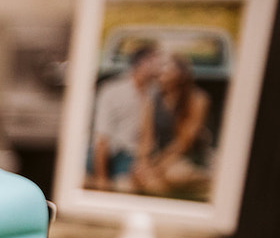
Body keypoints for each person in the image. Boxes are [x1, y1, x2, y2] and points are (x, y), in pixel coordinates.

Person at [132, 52, 212, 198]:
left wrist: (157, 167)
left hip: (188, 156)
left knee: (173, 175)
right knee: (141, 177)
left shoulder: (198, 99)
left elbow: (184, 142)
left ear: (180, 72)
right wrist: (143, 162)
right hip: (160, 156)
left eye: (164, 65)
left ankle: (206, 181)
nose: (159, 69)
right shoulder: (151, 99)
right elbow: (145, 137)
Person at [88, 42, 161, 192]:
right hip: (110, 153)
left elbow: (148, 134)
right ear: (143, 63)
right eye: (156, 62)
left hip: (133, 156)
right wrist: (101, 176)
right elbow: (102, 137)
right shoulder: (112, 91)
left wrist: (144, 162)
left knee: (137, 186)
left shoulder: (155, 92)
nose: (160, 67)